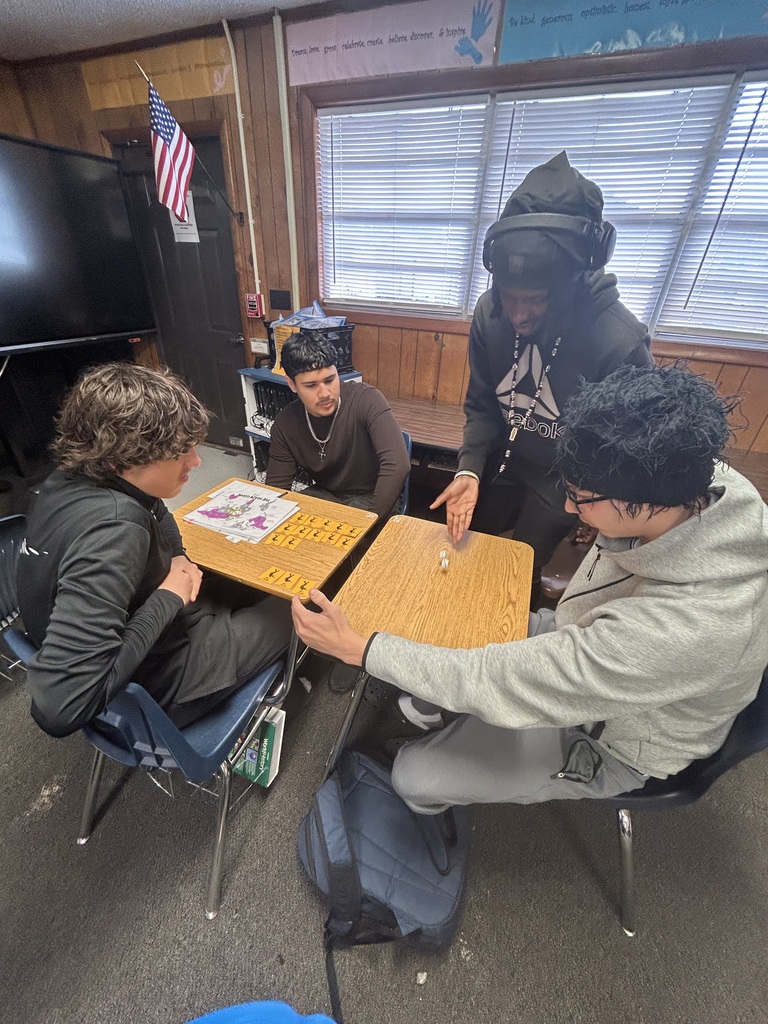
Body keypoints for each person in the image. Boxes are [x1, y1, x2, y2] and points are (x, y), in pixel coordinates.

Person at [291, 364, 768, 814]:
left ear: (646, 502)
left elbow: (503, 680)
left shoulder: (688, 626)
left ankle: (435, 767)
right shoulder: (696, 475)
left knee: (413, 776)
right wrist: (604, 522)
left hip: (614, 739)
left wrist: (361, 650)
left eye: (580, 498)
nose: (568, 506)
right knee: (457, 615)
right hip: (585, 639)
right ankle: (441, 710)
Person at [18, 362, 292, 737]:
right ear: (120, 458)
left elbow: (155, 507)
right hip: (158, 684)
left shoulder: (68, 477)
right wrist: (168, 597)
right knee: (296, 608)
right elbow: (58, 708)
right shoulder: (115, 531)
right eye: (179, 452)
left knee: (240, 584)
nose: (196, 461)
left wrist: (177, 554)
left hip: (145, 629)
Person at [432, 151, 654, 587]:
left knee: (517, 574)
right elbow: (482, 405)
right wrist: (468, 469)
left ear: (570, 284)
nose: (518, 314)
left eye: (535, 300)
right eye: (509, 295)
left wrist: (598, 506)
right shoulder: (490, 313)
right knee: (458, 551)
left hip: (563, 483)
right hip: (500, 460)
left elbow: (629, 446)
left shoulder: (619, 341)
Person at [266, 333, 410, 521]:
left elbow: (398, 464)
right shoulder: (285, 423)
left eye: (329, 380)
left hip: (372, 496)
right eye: (311, 385)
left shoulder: (367, 399)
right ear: (292, 384)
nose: (325, 393)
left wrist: (368, 522)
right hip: (324, 494)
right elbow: (276, 490)